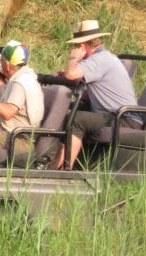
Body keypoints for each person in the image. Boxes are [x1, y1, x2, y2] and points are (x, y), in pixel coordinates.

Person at [52, 20, 140, 169]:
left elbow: (72, 74)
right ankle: (56, 160)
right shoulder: (102, 59)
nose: (73, 49)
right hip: (113, 115)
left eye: (76, 46)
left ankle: (64, 168)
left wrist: (73, 59)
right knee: (72, 109)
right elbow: (89, 95)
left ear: (82, 46)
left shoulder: (100, 59)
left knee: (77, 119)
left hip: (125, 118)